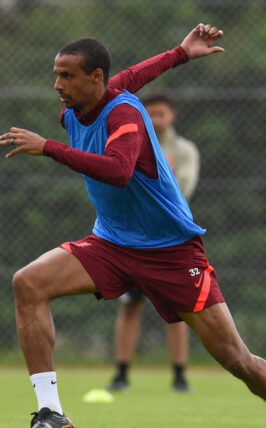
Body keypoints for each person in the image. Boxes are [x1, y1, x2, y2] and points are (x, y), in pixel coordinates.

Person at [0, 24, 266, 428]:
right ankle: (51, 411)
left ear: (95, 78)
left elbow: (117, 170)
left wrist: (49, 149)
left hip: (171, 252)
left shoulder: (124, 116)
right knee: (28, 283)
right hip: (111, 244)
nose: (57, 85)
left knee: (235, 358)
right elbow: (133, 74)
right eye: (56, 74)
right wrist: (181, 52)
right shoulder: (79, 106)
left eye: (67, 75)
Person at [107, 93, 200, 393]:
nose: (156, 119)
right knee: (130, 305)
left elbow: (182, 187)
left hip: (168, 239)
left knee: (176, 309)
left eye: (161, 113)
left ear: (171, 115)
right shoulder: (132, 143)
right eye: (151, 114)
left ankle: (180, 376)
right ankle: (121, 374)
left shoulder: (184, 150)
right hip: (132, 237)